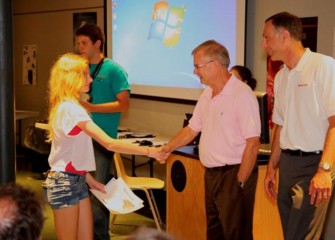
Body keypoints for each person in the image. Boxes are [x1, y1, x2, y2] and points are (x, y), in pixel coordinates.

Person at [42, 53, 166, 240]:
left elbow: (68, 152)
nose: (90, 78)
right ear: (71, 77)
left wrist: (88, 178)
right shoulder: (71, 109)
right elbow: (108, 143)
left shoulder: (69, 106)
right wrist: (151, 151)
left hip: (77, 180)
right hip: (65, 183)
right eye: (85, 74)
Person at [161, 40, 261, 240]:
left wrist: (239, 183)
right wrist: (168, 148)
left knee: (236, 234)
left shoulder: (242, 94)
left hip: (233, 174)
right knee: (215, 233)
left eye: (198, 66)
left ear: (215, 65)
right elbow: (192, 129)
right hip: (212, 176)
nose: (195, 71)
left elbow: (253, 143)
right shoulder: (207, 94)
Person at [262, 12, 335, 240]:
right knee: (290, 234)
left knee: (301, 235)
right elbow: (280, 126)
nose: (264, 45)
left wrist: (324, 171)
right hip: (288, 164)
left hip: (316, 164)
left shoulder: (323, 66)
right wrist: (272, 167)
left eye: (266, 38)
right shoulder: (282, 76)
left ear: (284, 36)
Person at [75, 24, 131, 240]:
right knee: (80, 191)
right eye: (78, 43)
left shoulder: (114, 70)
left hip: (101, 140)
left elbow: (124, 104)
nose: (80, 47)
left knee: (98, 192)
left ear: (97, 43)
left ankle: (100, 236)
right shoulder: (79, 69)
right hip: (80, 139)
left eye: (84, 43)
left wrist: (93, 108)